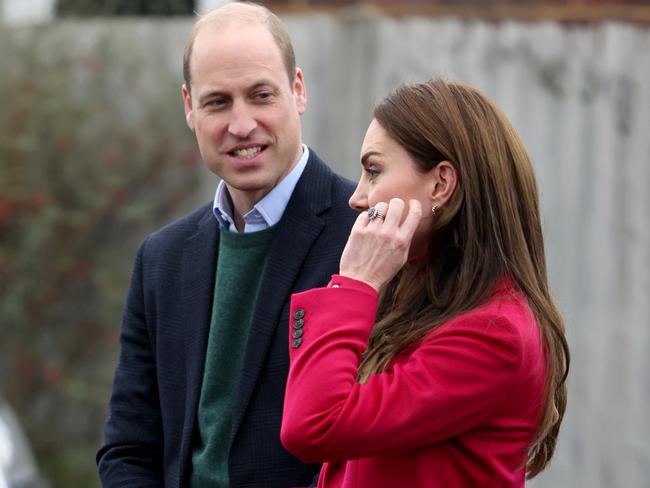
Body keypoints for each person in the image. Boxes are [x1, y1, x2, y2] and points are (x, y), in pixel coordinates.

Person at [96, 3, 357, 487]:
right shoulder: (161, 260)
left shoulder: (364, 236)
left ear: (298, 90)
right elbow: (129, 447)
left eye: (260, 95)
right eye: (218, 102)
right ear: (189, 107)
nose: (241, 125)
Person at [280, 78, 570, 487]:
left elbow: (313, 425)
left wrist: (355, 283)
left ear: (441, 184)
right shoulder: (419, 298)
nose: (357, 197)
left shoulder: (494, 334)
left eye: (374, 171)